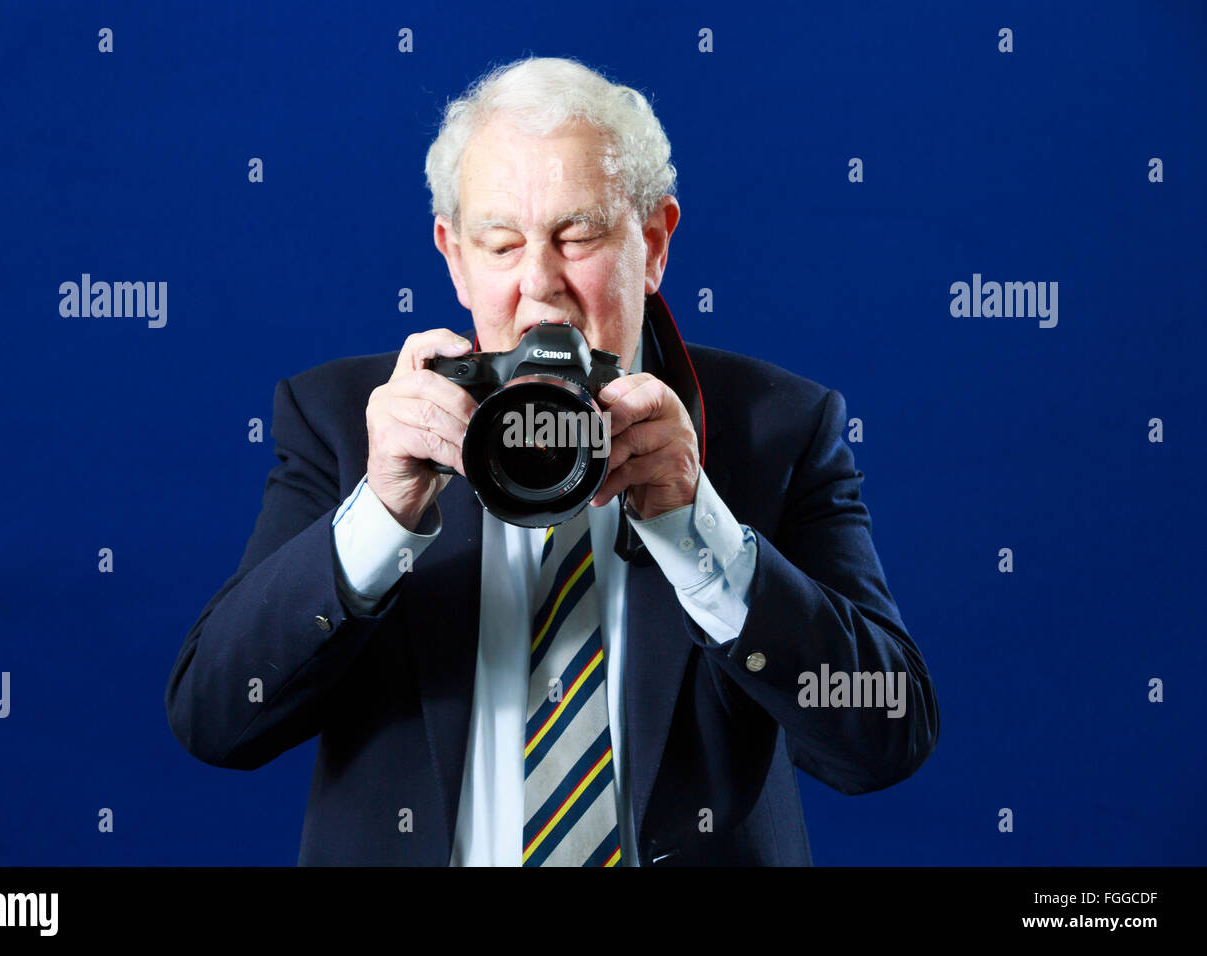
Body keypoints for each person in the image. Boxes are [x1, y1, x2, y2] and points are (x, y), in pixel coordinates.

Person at [165, 55, 939, 866]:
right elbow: (215, 722)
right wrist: (379, 513)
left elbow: (886, 737)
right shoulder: (345, 419)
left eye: (580, 236)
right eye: (500, 244)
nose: (540, 286)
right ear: (454, 257)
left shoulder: (775, 426)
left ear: (654, 241)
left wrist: (697, 526)